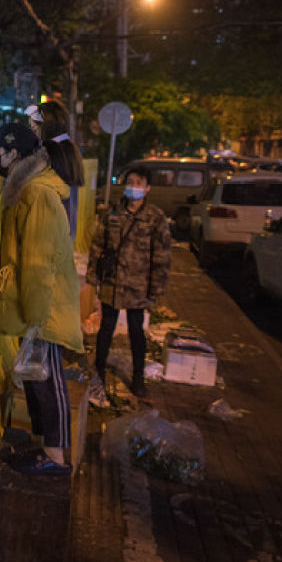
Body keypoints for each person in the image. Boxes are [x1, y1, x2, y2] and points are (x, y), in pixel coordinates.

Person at [0, 122, 82, 475]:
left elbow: (39, 260)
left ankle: (56, 456)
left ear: (14, 154)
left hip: (47, 305)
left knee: (49, 381)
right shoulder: (27, 189)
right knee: (38, 379)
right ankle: (45, 448)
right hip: (38, 302)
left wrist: (37, 317)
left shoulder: (37, 193)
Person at [86, 166, 172, 402]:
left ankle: (138, 378)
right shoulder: (112, 213)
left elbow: (162, 255)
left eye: (138, 183)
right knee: (106, 329)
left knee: (136, 332)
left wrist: (157, 287)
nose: (133, 187)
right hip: (112, 282)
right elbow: (97, 245)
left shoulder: (155, 217)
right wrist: (93, 276)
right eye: (130, 182)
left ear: (147, 188)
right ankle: (99, 373)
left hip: (138, 285)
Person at [26, 100, 85, 240]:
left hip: (51, 237)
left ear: (46, 127)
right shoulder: (67, 149)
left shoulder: (52, 154)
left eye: (35, 129)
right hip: (63, 235)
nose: (34, 134)